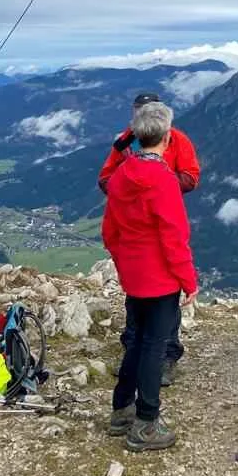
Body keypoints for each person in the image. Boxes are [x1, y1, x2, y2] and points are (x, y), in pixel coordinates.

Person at [101, 101, 198, 451]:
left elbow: (109, 231)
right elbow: (175, 236)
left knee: (137, 341)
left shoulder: (122, 175)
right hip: (160, 278)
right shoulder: (164, 180)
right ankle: (145, 422)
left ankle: (121, 410)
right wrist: (188, 280)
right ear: (168, 138)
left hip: (133, 274)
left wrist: (124, 260)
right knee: (155, 347)